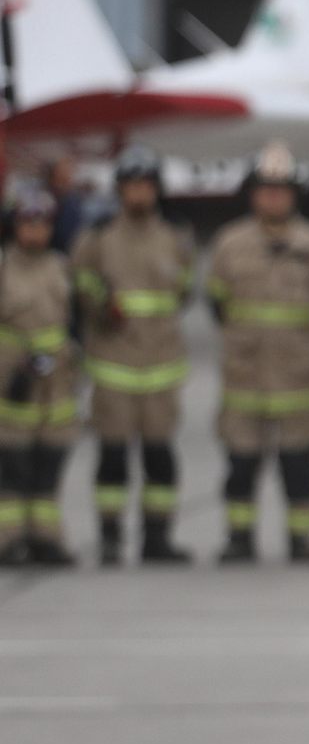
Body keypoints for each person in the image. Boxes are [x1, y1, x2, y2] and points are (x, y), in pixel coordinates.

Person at [205, 142, 309, 565]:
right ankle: (239, 538)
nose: (273, 197)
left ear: (294, 195)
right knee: (240, 465)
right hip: (245, 379)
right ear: (253, 193)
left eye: (282, 189)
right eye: (265, 189)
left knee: (300, 467)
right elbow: (217, 303)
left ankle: (302, 541)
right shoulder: (229, 244)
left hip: (300, 380)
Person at [73, 145, 196, 566]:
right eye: (131, 187)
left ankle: (157, 538)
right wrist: (101, 305)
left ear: (156, 190)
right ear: (120, 191)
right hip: (114, 368)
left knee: (160, 458)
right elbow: (82, 286)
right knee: (111, 459)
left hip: (162, 368)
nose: (139, 195)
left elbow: (184, 291)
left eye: (146, 186)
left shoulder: (175, 238)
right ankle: (110, 537)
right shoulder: (98, 238)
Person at [0, 186, 80, 568]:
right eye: (27, 223)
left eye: (42, 224)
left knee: (49, 469)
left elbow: (75, 319)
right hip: (13, 386)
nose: (34, 231)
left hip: (56, 389)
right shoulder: (4, 267)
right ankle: (8, 541)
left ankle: (46, 540)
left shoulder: (62, 267)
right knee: (12, 472)